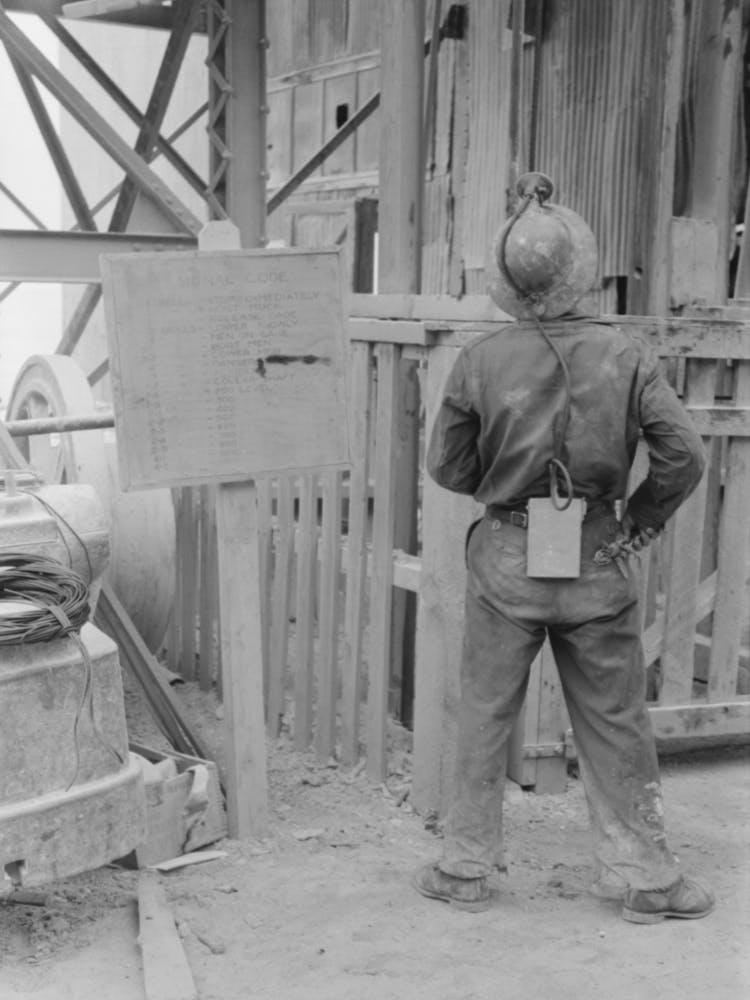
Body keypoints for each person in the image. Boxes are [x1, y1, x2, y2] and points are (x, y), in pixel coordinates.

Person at [412, 173, 714, 924]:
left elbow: (446, 468)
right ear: (582, 269)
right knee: (616, 719)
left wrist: (506, 486)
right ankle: (646, 878)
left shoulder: (479, 360)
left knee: (485, 713)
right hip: (599, 556)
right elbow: (683, 455)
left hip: (505, 558)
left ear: (509, 282)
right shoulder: (627, 355)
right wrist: (637, 523)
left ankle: (464, 869)